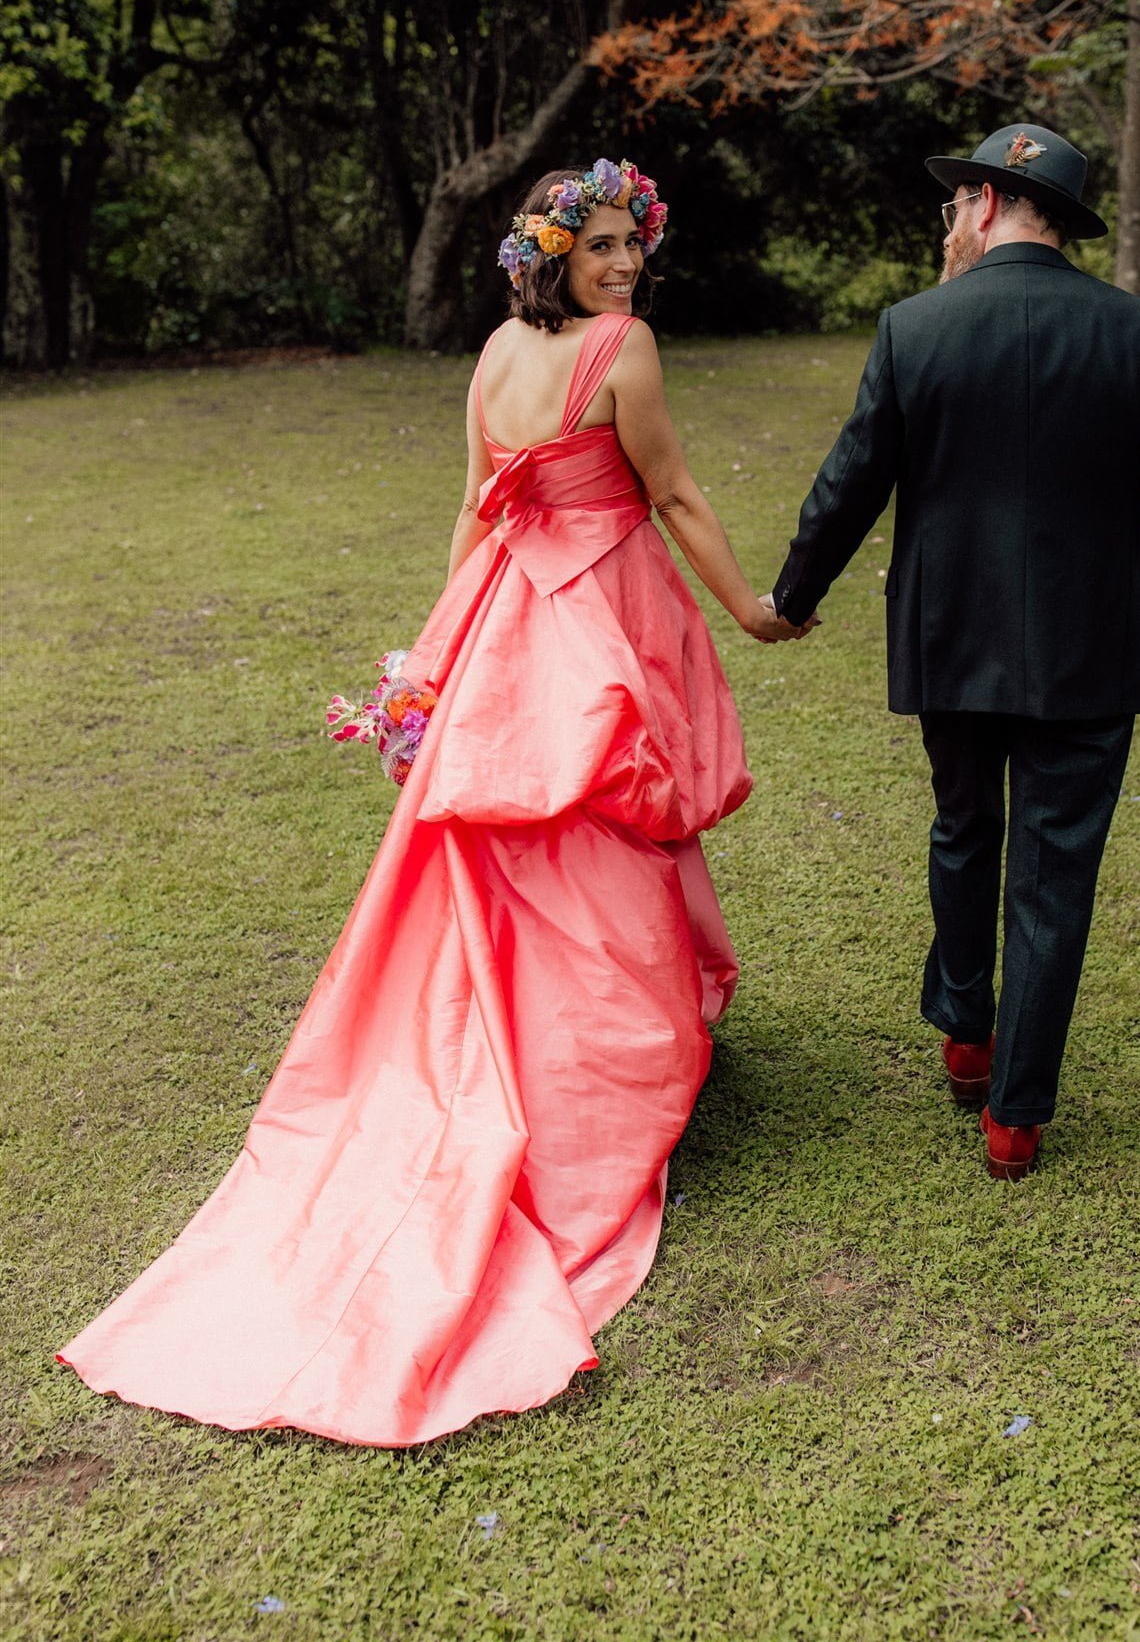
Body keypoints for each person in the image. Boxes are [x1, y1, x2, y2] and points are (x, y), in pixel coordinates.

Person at [58, 158, 809, 1446]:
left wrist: (439, 651)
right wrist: (750, 608)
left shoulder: (494, 355)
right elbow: (673, 491)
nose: (625, 265)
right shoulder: (623, 349)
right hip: (595, 609)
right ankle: (605, 1068)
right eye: (602, 246)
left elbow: (478, 505)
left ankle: (549, 1042)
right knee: (594, 823)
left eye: (632, 244)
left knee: (544, 835)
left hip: (509, 604)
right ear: (554, 256)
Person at [765, 122, 1140, 1180]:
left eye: (956, 202)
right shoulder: (1137, 330)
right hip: (1092, 643)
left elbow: (850, 480)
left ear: (985, 204)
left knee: (962, 827)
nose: (951, 217)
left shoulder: (913, 326)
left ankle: (965, 1032)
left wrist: (792, 597)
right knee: (1054, 870)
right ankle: (1016, 1116)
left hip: (951, 635)